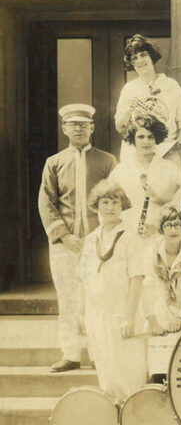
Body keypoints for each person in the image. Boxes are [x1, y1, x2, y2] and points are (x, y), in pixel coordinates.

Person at [39, 104, 117, 372]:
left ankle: (98, 354)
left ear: (92, 128)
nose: (79, 129)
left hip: (98, 241)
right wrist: (63, 235)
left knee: (99, 297)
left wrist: (102, 235)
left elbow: (113, 199)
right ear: (64, 129)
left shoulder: (107, 161)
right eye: (73, 124)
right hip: (66, 244)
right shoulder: (54, 162)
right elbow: (46, 202)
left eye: (84, 124)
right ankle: (71, 354)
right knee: (69, 298)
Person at [78, 180, 147, 401]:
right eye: (104, 202)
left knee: (128, 369)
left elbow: (137, 277)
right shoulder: (91, 240)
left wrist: (129, 317)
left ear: (122, 205)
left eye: (115, 202)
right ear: (96, 206)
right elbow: (83, 280)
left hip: (122, 314)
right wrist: (82, 314)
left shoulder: (130, 237)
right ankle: (114, 422)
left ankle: (133, 422)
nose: (109, 207)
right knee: (106, 370)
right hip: (97, 315)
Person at [141, 205, 181, 380]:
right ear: (161, 228)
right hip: (158, 312)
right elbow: (147, 287)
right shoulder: (151, 250)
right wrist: (153, 320)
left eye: (178, 225)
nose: (174, 230)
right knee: (157, 361)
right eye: (168, 225)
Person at [114, 34, 181, 168]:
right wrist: (129, 110)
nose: (140, 60)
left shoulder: (171, 85)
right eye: (134, 58)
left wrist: (177, 145)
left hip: (167, 153)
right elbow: (120, 126)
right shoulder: (129, 89)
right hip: (136, 155)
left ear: (151, 56)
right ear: (131, 64)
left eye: (143, 55)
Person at [110, 114, 181, 238]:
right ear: (133, 139)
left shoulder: (171, 169)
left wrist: (158, 228)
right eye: (141, 137)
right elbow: (110, 206)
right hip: (126, 237)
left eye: (150, 137)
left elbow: (179, 206)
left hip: (161, 237)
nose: (146, 142)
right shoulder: (120, 171)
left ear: (157, 139)